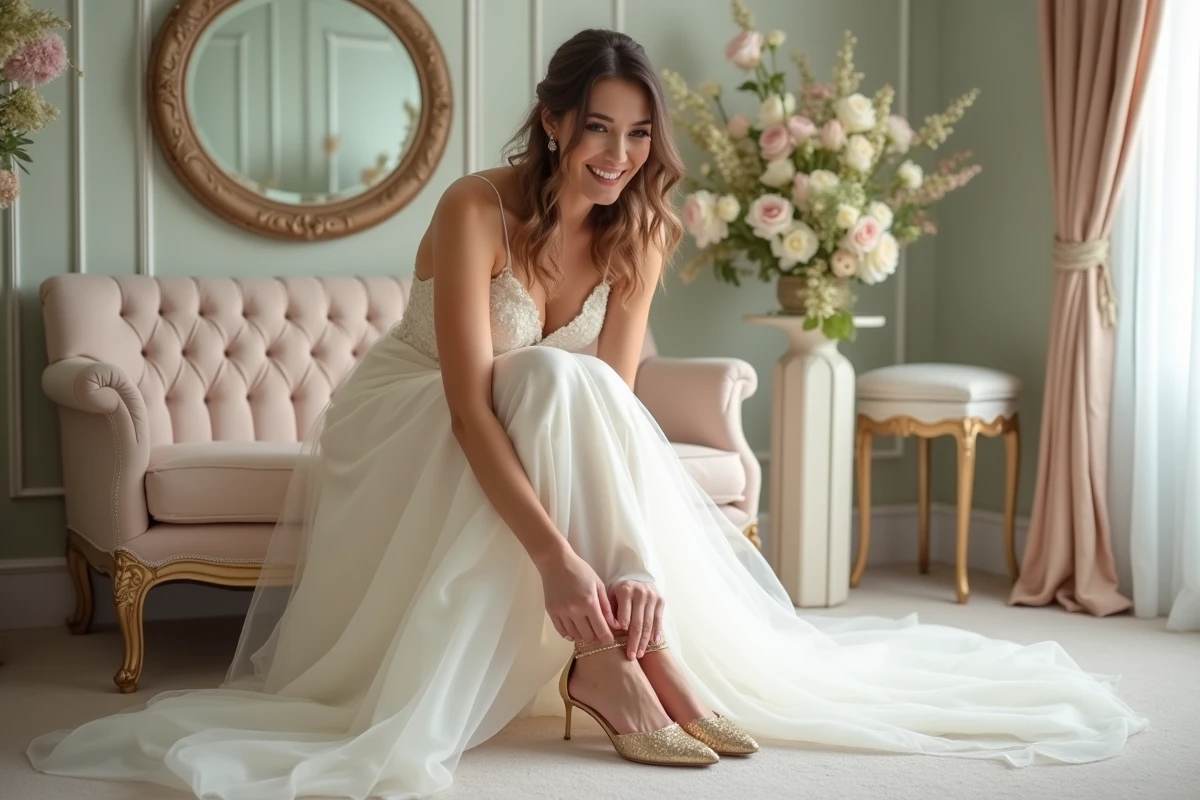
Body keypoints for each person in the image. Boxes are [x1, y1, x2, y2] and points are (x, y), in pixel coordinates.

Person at [28, 28, 1146, 800]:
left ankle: (617, 653)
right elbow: (471, 401)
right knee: (541, 379)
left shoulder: (642, 231)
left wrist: (632, 563)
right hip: (412, 417)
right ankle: (619, 668)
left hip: (536, 416)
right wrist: (567, 562)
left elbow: (608, 399)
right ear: (557, 122)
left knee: (569, 385)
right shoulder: (478, 206)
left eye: (642, 135)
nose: (622, 156)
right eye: (601, 129)